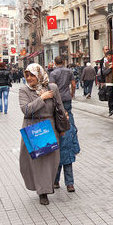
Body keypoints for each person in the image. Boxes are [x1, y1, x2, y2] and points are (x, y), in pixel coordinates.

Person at [19, 63, 67, 205]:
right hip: (33, 128)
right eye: (27, 75)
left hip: (50, 127)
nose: (29, 78)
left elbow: (59, 107)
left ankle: (46, 187)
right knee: (37, 163)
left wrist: (63, 125)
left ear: (39, 74)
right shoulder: (24, 90)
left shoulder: (52, 88)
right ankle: (42, 192)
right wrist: (42, 98)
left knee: (51, 161)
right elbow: (26, 110)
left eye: (32, 75)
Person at [49, 56, 79, 192]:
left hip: (57, 100)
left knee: (58, 123)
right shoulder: (69, 71)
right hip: (66, 100)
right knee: (69, 124)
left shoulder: (53, 73)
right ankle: (69, 132)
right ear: (64, 62)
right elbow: (73, 84)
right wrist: (72, 94)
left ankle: (55, 181)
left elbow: (51, 88)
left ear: (55, 63)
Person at [101, 50, 113, 115]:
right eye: (107, 56)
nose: (108, 57)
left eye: (109, 55)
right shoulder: (105, 64)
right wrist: (110, 68)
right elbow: (104, 72)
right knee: (110, 96)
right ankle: (111, 109)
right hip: (109, 82)